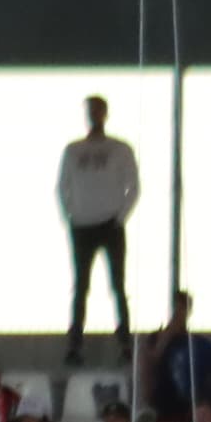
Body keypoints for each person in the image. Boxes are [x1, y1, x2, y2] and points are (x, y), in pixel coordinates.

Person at [59, 95, 143, 355]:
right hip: (82, 225)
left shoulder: (120, 149)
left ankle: (125, 340)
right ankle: (75, 342)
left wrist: (119, 217)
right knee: (81, 286)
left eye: (97, 111)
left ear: (105, 114)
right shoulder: (73, 150)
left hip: (110, 224)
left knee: (117, 284)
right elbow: (62, 187)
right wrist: (71, 217)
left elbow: (134, 186)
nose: (93, 116)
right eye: (90, 111)